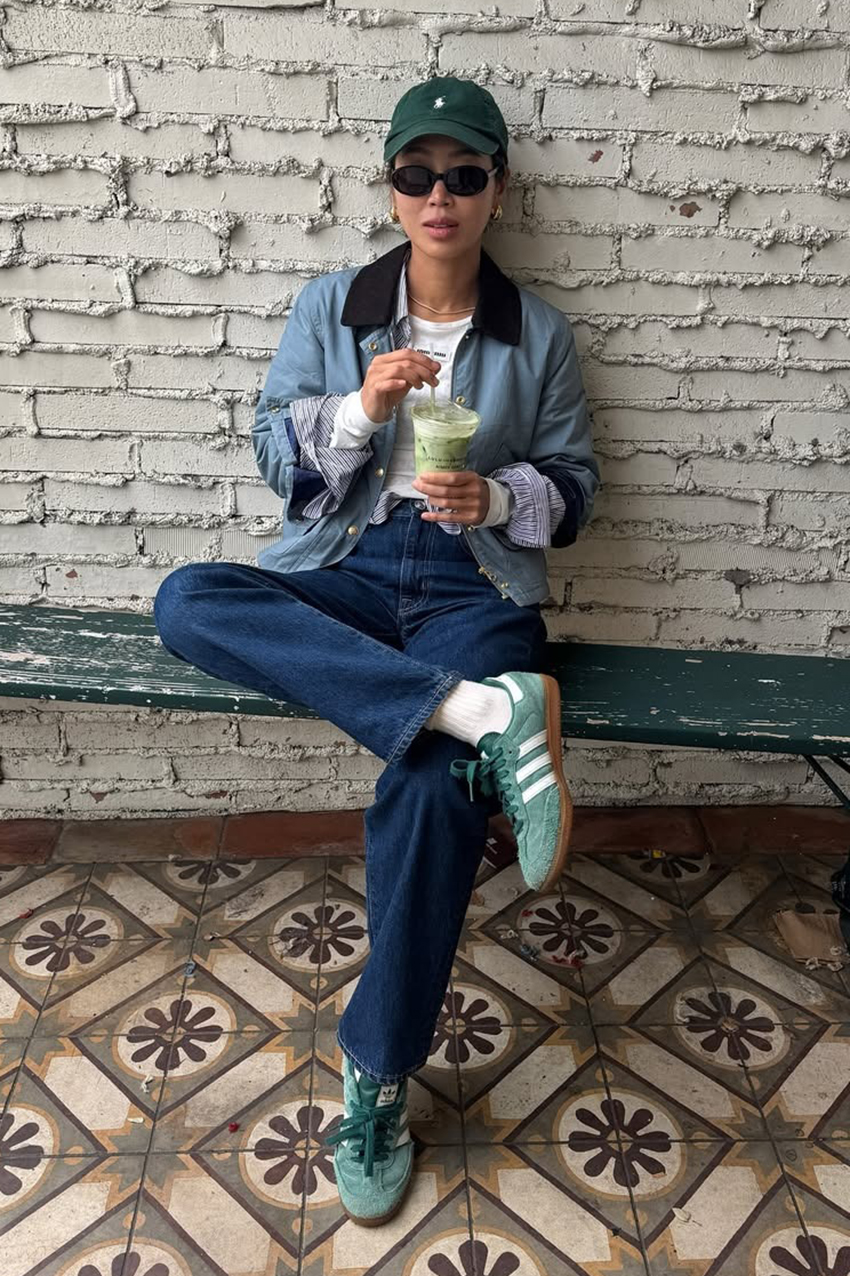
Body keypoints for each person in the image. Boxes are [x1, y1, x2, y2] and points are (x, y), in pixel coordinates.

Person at [152, 75, 599, 1227]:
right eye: (416, 175)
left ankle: (378, 1075)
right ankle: (480, 715)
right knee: (188, 600)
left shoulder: (535, 332)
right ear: (392, 191)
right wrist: (358, 409)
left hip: (473, 582)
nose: (438, 195)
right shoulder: (332, 306)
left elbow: (575, 485)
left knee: (435, 797)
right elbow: (275, 455)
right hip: (347, 567)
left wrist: (493, 501)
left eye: (462, 175)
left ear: (497, 189)